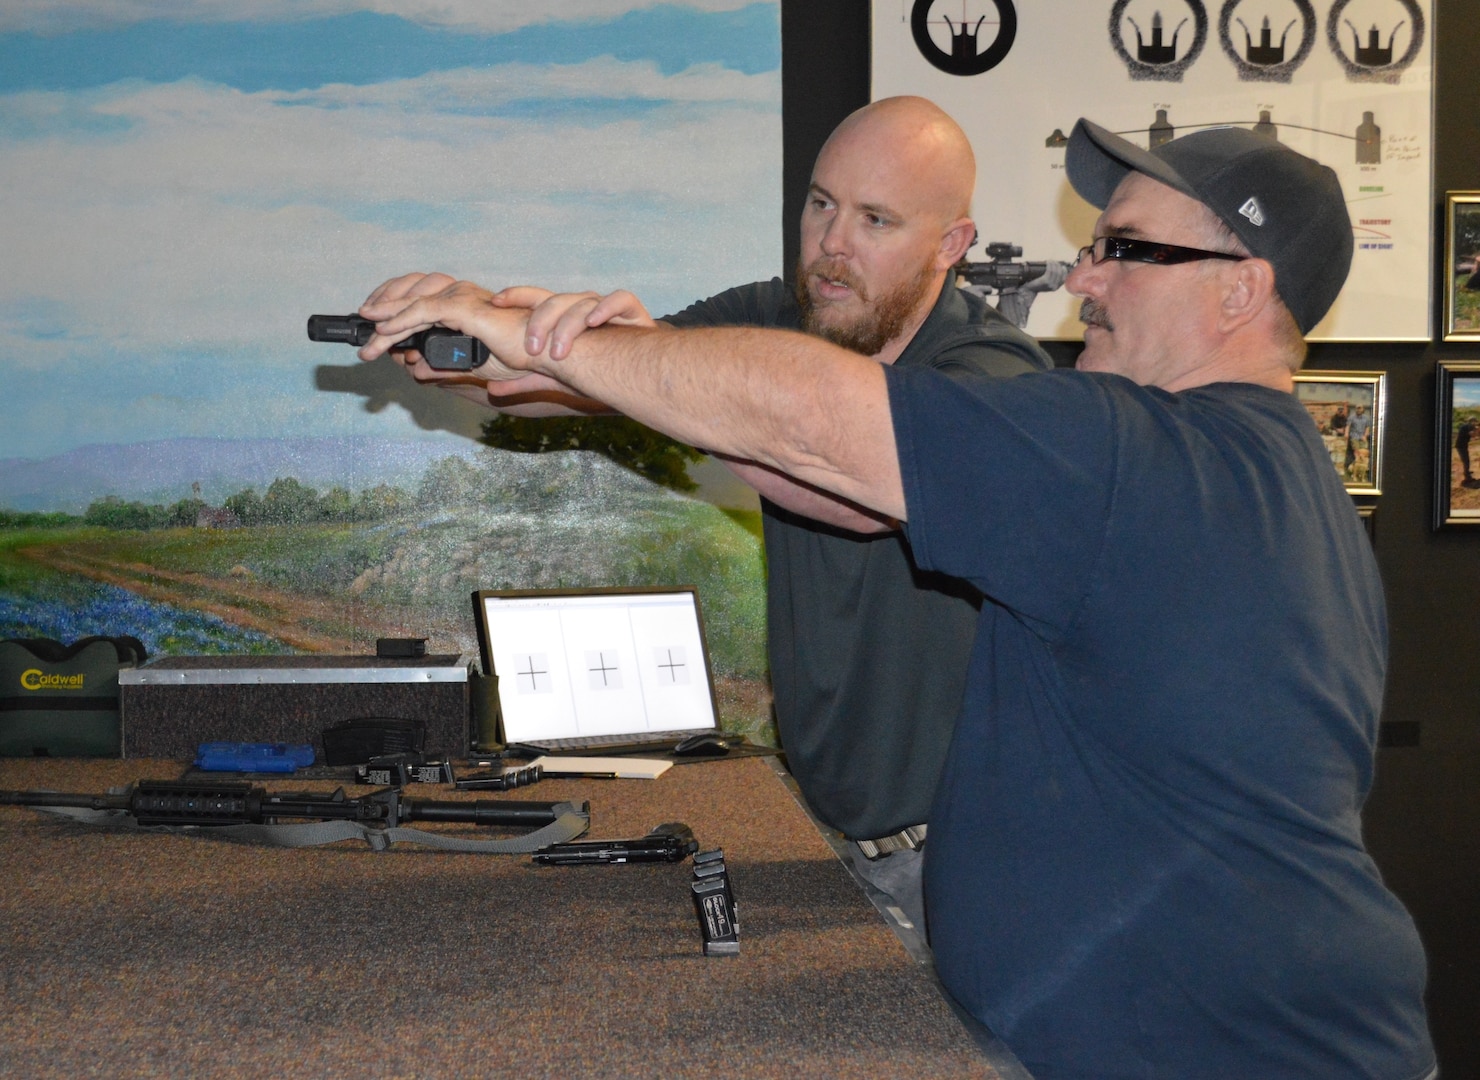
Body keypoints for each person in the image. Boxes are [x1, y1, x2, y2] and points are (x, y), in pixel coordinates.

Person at [356, 117, 1436, 1078]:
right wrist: (557, 351)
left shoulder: (1130, 456)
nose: (1084, 280)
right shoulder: (1251, 468)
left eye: (1125, 252)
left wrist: (594, 349)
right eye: (1094, 247)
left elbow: (821, 425)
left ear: (1239, 289)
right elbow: (806, 459)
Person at [360, 96, 1051, 934]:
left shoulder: (994, 377)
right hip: (835, 838)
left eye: (875, 219)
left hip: (968, 863)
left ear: (950, 244)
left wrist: (661, 378)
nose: (832, 243)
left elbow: (855, 481)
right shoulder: (781, 316)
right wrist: (471, 332)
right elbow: (562, 387)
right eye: (821, 203)